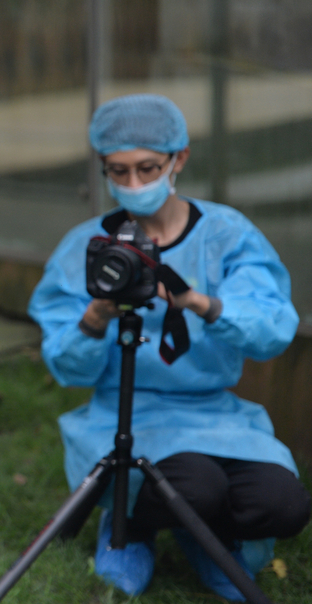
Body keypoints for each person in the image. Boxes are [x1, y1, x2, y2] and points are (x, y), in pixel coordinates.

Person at [29, 94, 311, 600]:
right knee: (196, 485)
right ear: (103, 169)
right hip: (126, 415)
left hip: (217, 413)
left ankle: (209, 535)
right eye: (118, 172)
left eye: (148, 168)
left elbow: (272, 329)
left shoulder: (226, 235)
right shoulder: (88, 249)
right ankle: (131, 528)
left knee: (283, 502)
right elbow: (67, 365)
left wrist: (204, 304)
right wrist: (95, 317)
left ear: (179, 158)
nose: (134, 185)